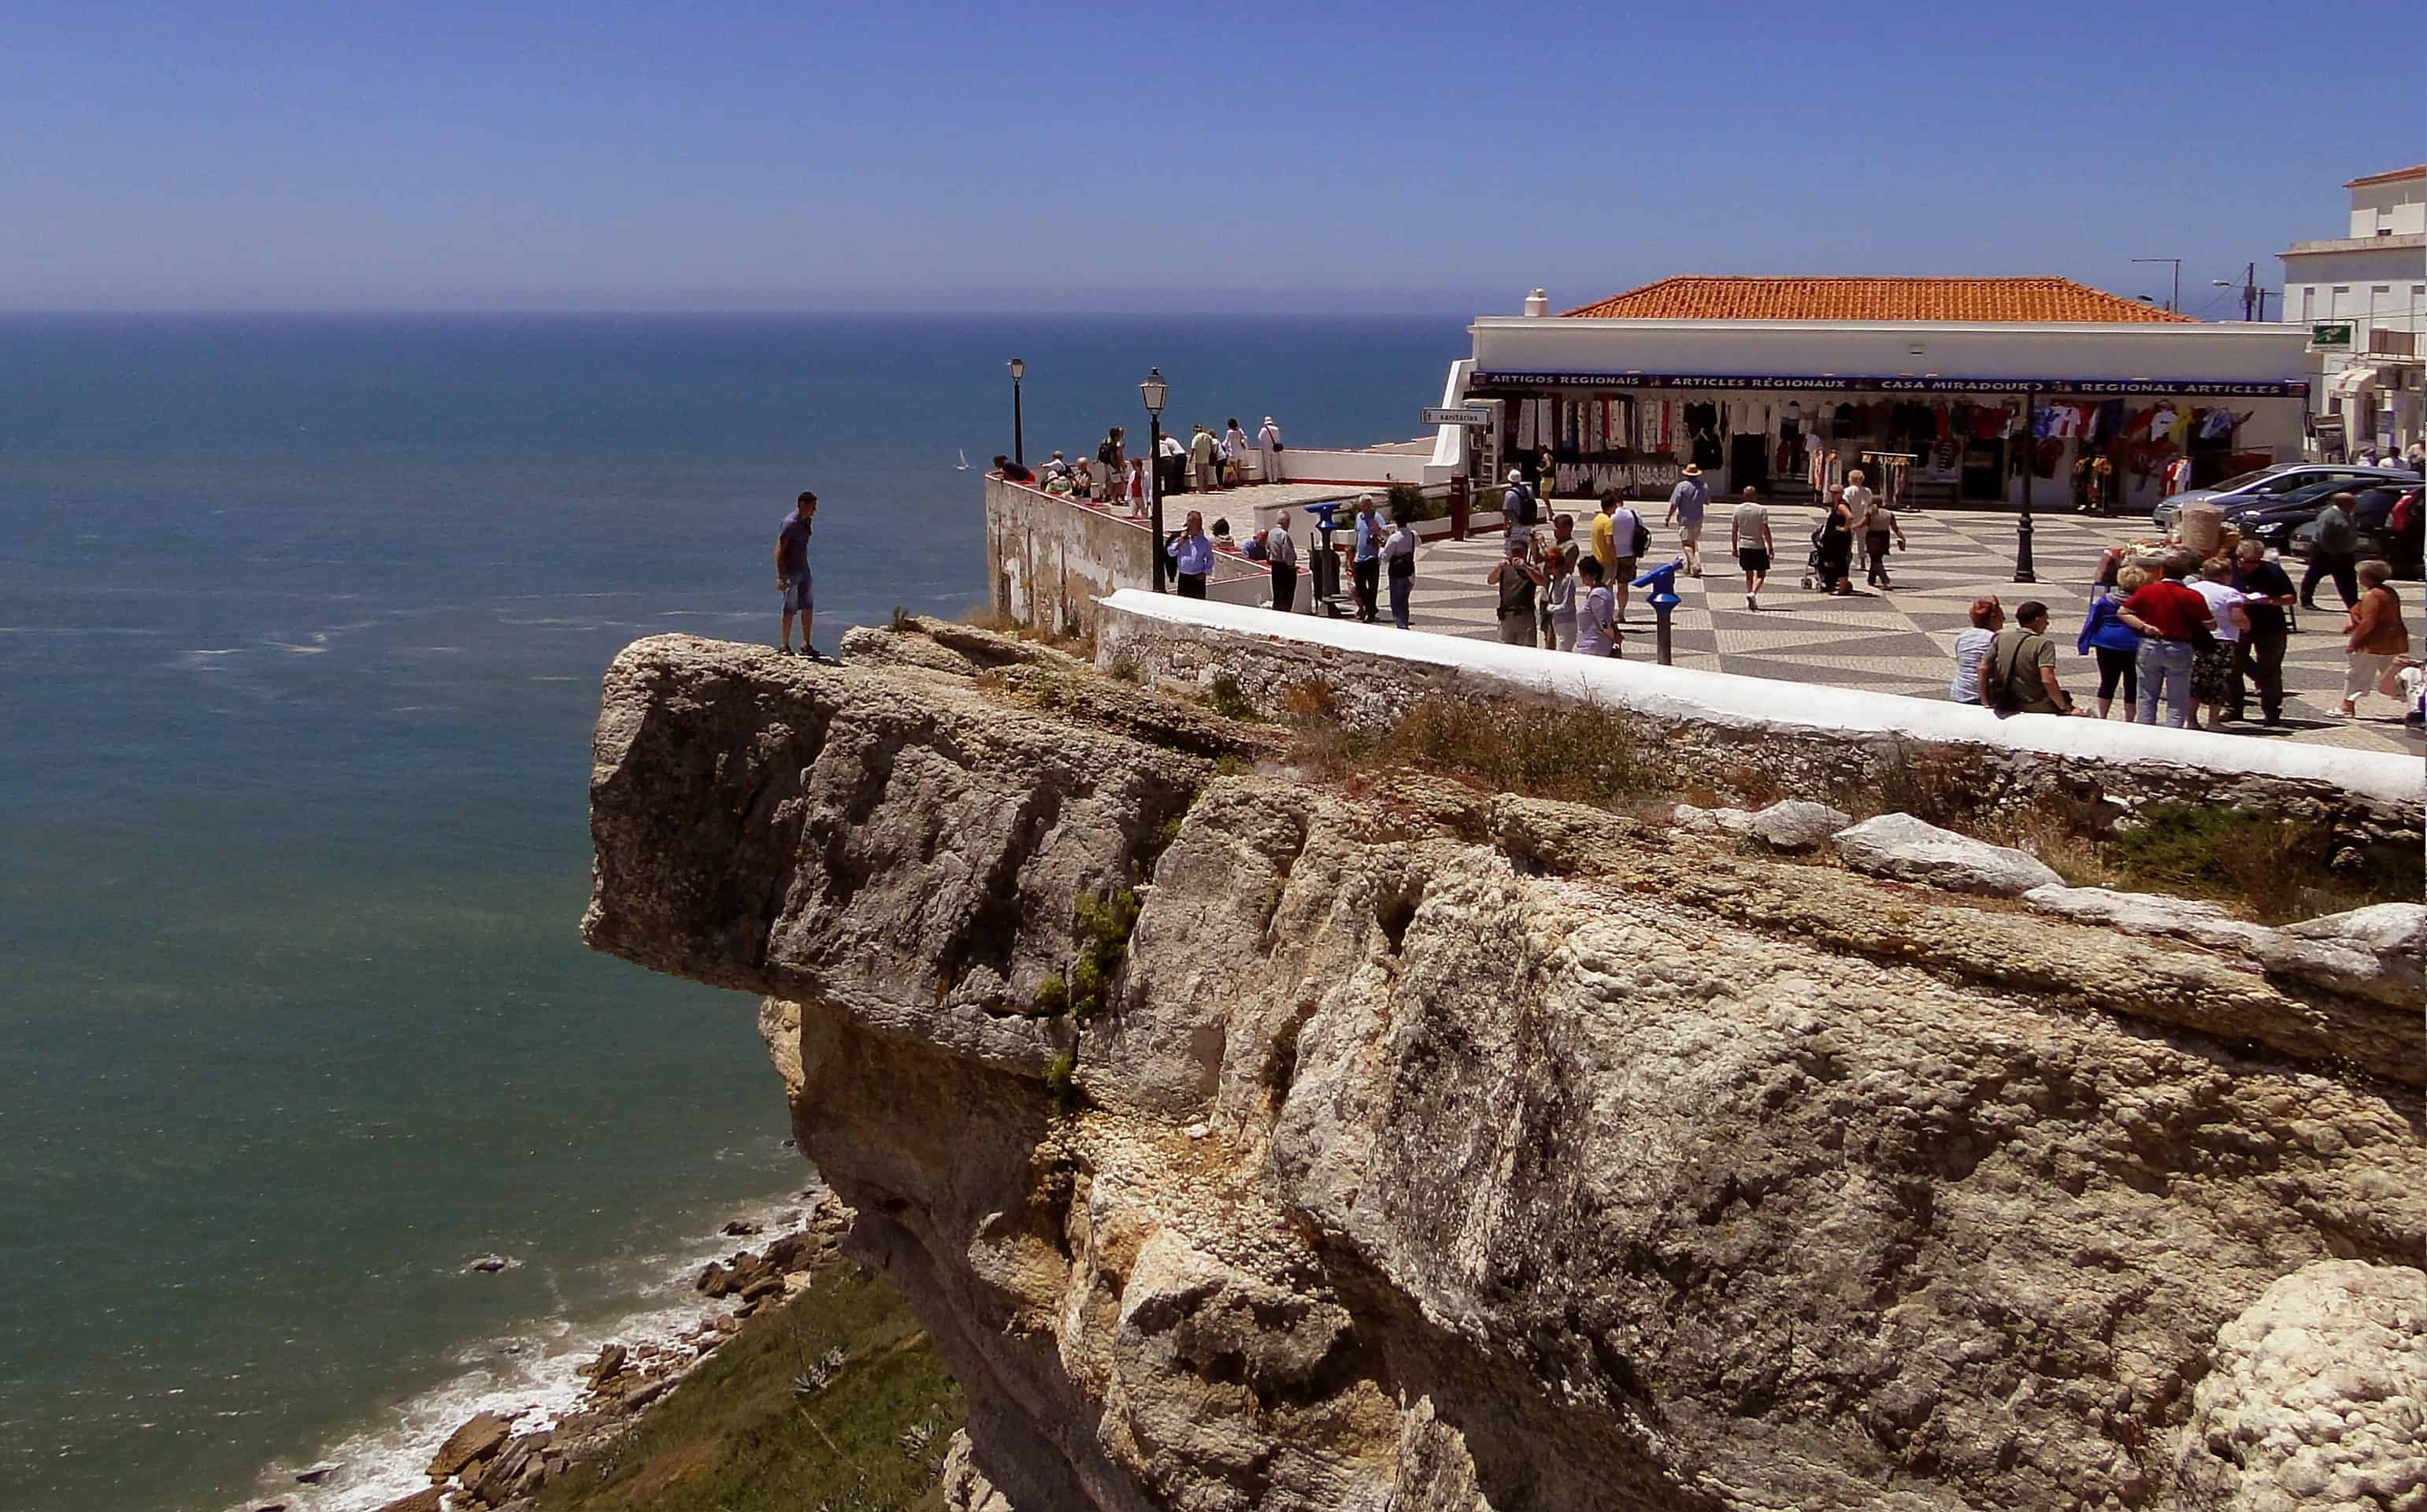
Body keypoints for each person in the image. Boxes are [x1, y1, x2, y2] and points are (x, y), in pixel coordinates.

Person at [2118, 551, 2217, 728]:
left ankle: (2145, 729)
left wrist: (2143, 626)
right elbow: (2211, 626)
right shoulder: (2193, 596)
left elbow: (2123, 612)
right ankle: (2173, 732)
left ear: (2161, 572)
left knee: (2146, 694)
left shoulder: (2148, 590)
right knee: (2178, 698)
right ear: (2185, 574)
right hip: (2180, 647)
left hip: (2151, 644)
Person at [2230, 539, 2297, 725]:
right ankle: (2234, 707)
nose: (2250, 566)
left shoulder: (2273, 571)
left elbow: (2290, 598)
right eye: (2246, 561)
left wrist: (2268, 601)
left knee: (2271, 669)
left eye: (2255, 562)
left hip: (2270, 626)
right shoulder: (2230, 569)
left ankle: (2271, 710)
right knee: (2233, 666)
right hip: (2238, 626)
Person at [2340, 560, 2410, 718]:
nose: (2358, 578)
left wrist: (2354, 641)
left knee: (2357, 673)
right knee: (2393, 674)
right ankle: (2414, 704)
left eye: (2360, 575)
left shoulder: (2371, 595)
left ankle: (2347, 706)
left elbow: (2368, 622)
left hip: (2372, 642)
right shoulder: (2390, 592)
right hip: (2394, 640)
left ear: (2367, 577)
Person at [2188, 556, 2252, 729]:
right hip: (2222, 640)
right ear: (2226, 575)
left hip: (2194, 638)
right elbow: (2237, 617)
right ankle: (2213, 721)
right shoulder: (2229, 593)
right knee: (2217, 681)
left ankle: (2191, 720)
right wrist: (2246, 627)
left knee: (2195, 680)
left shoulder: (2191, 588)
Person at [1984, 600, 2075, 716]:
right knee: (2083, 713)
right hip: (2033, 703)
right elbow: (2048, 679)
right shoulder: (2044, 644)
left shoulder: (2001, 638)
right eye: (2045, 619)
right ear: (2037, 620)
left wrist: (1986, 701)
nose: (2047, 624)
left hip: (2005, 701)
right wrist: (2064, 707)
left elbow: (1983, 667)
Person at [2075, 569, 2144, 719]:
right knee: (2132, 684)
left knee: (2107, 682)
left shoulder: (2105, 600)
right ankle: (2130, 719)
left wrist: (2084, 643)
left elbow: (2092, 621)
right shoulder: (2142, 602)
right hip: (2133, 645)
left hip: (2106, 643)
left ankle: (2103, 716)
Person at [773, 491, 818, 658]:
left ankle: (806, 643)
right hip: (791, 571)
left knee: (808, 606)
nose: (814, 511)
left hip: (804, 569)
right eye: (812, 507)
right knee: (790, 608)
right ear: (802, 504)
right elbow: (779, 549)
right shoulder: (790, 523)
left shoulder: (806, 521)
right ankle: (784, 644)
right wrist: (781, 576)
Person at [2302, 492, 2362, 610]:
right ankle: (2306, 600)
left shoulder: (2349, 514)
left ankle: (2352, 603)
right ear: (2342, 503)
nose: (2355, 504)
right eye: (2352, 502)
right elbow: (2323, 537)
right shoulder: (2328, 516)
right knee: (2314, 576)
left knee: (2348, 578)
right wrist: (2333, 553)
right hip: (2326, 552)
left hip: (2345, 553)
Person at [1488, 540, 1546, 646]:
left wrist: (1526, 568)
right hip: (1506, 616)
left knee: (1526, 649)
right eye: (1514, 552)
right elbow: (1490, 580)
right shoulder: (1505, 569)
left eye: (1520, 552)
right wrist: (1499, 568)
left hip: (1524, 615)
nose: (1517, 555)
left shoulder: (1531, 568)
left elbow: (1542, 581)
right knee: (1505, 649)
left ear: (1526, 553)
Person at [1951, 596, 2004, 704]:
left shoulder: (1963, 636)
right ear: (1992, 619)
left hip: (1960, 690)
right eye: (2001, 616)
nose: (2004, 619)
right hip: (1980, 693)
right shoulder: (1994, 639)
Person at [1731, 487, 1773, 611]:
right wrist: (1770, 546)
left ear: (1744, 496)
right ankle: (1753, 593)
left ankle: (1750, 594)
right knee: (1761, 573)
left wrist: (1734, 547)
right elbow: (1766, 530)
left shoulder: (1737, 510)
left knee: (1748, 574)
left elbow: (1734, 531)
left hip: (1743, 544)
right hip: (1758, 545)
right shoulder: (1761, 510)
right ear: (1755, 496)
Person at [1539, 513, 1579, 645]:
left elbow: (1556, 560)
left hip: (1559, 591)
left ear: (1567, 528)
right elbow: (1540, 558)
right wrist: (1535, 545)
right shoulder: (1554, 542)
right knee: (1547, 630)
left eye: (1558, 528)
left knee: (1557, 636)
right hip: (1547, 590)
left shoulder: (1571, 546)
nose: (1554, 531)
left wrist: (1543, 545)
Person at [1666, 465, 1710, 577]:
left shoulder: (1681, 486)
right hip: (1698, 518)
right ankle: (1689, 567)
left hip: (1685, 518)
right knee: (1692, 542)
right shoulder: (1703, 486)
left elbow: (1674, 503)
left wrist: (1668, 517)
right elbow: (1707, 501)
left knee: (1686, 543)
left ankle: (1694, 565)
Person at [1605, 491, 1644, 621]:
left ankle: (1608, 614)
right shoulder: (1634, 514)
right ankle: (1621, 613)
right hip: (1629, 554)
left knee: (1608, 585)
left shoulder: (1609, 516)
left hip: (1611, 554)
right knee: (1623, 586)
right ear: (1622, 502)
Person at [1380, 504, 1419, 628]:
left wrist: (1380, 547)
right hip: (1410, 572)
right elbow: (1419, 542)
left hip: (1397, 574)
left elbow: (1385, 558)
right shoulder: (1413, 534)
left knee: (1396, 602)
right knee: (1404, 600)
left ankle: (1401, 626)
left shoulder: (1394, 538)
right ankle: (1405, 622)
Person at [1573, 558, 1620, 657]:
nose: (1582, 579)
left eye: (1584, 576)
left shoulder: (1598, 595)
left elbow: (1604, 624)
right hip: (1587, 646)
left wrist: (1615, 638)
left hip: (1594, 648)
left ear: (1594, 575)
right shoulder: (1598, 593)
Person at [1862, 494, 1908, 589]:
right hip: (1884, 537)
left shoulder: (1870, 513)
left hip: (1873, 537)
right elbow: (1895, 528)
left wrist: (1851, 527)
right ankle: (1871, 579)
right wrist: (1902, 538)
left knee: (1876, 560)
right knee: (1876, 559)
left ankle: (1885, 580)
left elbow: (1863, 524)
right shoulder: (1889, 513)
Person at [1816, 486, 1855, 595]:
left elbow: (1850, 517)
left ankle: (1842, 588)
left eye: (1836, 492)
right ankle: (1838, 583)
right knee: (1836, 561)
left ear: (1841, 493)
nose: (1833, 494)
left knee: (1840, 561)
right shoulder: (1837, 505)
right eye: (1831, 492)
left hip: (1840, 539)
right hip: (1835, 539)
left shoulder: (1842, 505)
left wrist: (1845, 528)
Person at [1350, 494, 1382, 623]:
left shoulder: (1377, 517)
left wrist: (1378, 530)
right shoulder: (1359, 517)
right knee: (1360, 586)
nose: (1365, 508)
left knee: (1373, 588)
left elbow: (1385, 533)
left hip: (1372, 558)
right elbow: (1358, 535)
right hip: (1359, 558)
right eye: (1363, 505)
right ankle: (1371, 609)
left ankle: (1370, 613)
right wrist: (1352, 554)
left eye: (1368, 505)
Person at [1166, 510, 1214, 598]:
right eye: (1190, 523)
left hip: (1197, 578)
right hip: (1184, 578)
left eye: (1194, 523)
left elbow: (1210, 559)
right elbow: (1171, 552)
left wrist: (1205, 572)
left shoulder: (1204, 542)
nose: (1191, 526)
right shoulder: (1181, 538)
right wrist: (1180, 542)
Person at [1542, 541, 1579, 652]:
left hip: (1567, 624)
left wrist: (1550, 608)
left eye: (1553, 567)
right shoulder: (1554, 581)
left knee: (1563, 653)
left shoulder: (1567, 579)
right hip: (1556, 623)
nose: (1551, 570)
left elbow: (1568, 605)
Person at [1841, 469, 1876, 577]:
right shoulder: (1868, 491)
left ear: (1851, 479)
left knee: (1847, 542)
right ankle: (1863, 562)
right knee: (1862, 542)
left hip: (1850, 519)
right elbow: (1870, 504)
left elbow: (1845, 504)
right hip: (1863, 520)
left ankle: (1847, 561)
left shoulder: (1847, 491)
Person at [1263, 511, 1300, 612]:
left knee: (1277, 595)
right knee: (1286, 597)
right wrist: (1292, 565)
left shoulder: (1271, 533)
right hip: (1284, 569)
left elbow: (1268, 549)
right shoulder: (1284, 535)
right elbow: (1287, 555)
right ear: (1287, 522)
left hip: (1275, 567)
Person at [1502, 468, 1538, 554]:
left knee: (1511, 551)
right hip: (1527, 525)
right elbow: (1533, 505)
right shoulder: (1528, 490)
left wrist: (1506, 528)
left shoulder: (1510, 494)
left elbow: (1507, 513)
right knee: (1524, 548)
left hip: (1516, 526)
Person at [1589, 492, 1621, 587]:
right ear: (1610, 506)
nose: (1616, 508)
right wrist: (1615, 560)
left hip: (1596, 559)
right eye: (1615, 505)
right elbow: (1609, 543)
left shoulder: (1597, 519)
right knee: (1606, 589)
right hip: (1606, 561)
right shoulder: (1608, 522)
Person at [1096, 428, 1126, 502]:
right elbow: (1118, 456)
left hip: (1108, 464)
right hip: (1113, 466)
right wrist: (1120, 466)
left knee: (1110, 481)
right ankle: (1114, 498)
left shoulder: (1106, 441)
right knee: (1117, 483)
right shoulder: (1116, 444)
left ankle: (1109, 496)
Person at [1188, 425, 1221, 494]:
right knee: (1206, 475)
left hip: (1199, 458)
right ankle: (1206, 489)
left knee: (1200, 475)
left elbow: (1193, 448)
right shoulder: (1208, 436)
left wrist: (1191, 458)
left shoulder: (1196, 437)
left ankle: (1201, 489)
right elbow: (1212, 445)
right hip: (1207, 458)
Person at [1256, 416, 1284, 484]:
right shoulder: (1276, 429)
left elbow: (1259, 438)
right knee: (1275, 465)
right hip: (1275, 449)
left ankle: (1270, 480)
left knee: (1268, 465)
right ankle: (1275, 479)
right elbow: (1278, 439)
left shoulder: (1264, 429)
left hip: (1266, 449)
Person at [1224, 419, 1250, 486]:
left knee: (1233, 469)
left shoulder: (1229, 432)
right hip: (1240, 451)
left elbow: (1227, 441)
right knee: (1239, 468)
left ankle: (1236, 481)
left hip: (1233, 452)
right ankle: (1237, 480)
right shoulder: (1240, 431)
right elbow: (1245, 438)